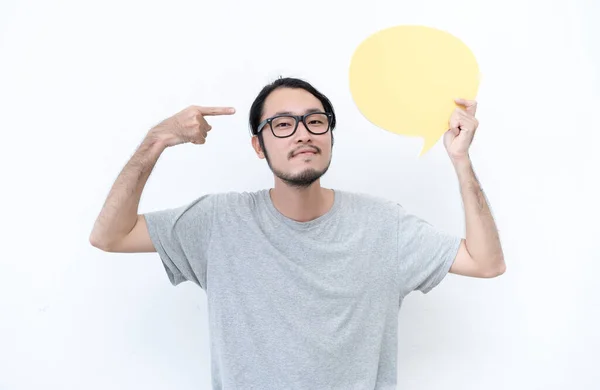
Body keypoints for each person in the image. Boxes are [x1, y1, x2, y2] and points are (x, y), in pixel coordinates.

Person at [90, 77, 505, 389]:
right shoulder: (218, 222)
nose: (303, 132)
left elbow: (486, 263)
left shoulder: (383, 226)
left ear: (329, 135)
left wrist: (460, 159)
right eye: (282, 124)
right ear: (259, 146)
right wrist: (156, 140)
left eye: (315, 121)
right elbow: (110, 236)